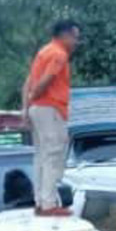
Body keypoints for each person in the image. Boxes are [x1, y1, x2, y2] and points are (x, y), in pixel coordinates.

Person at [22, 19, 80, 217]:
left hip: (38, 109)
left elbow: (29, 81)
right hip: (51, 108)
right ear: (65, 35)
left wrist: (27, 106)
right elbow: (46, 80)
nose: (76, 42)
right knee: (54, 154)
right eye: (75, 37)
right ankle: (49, 203)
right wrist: (35, 96)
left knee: (41, 155)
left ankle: (40, 201)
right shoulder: (59, 54)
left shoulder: (43, 52)